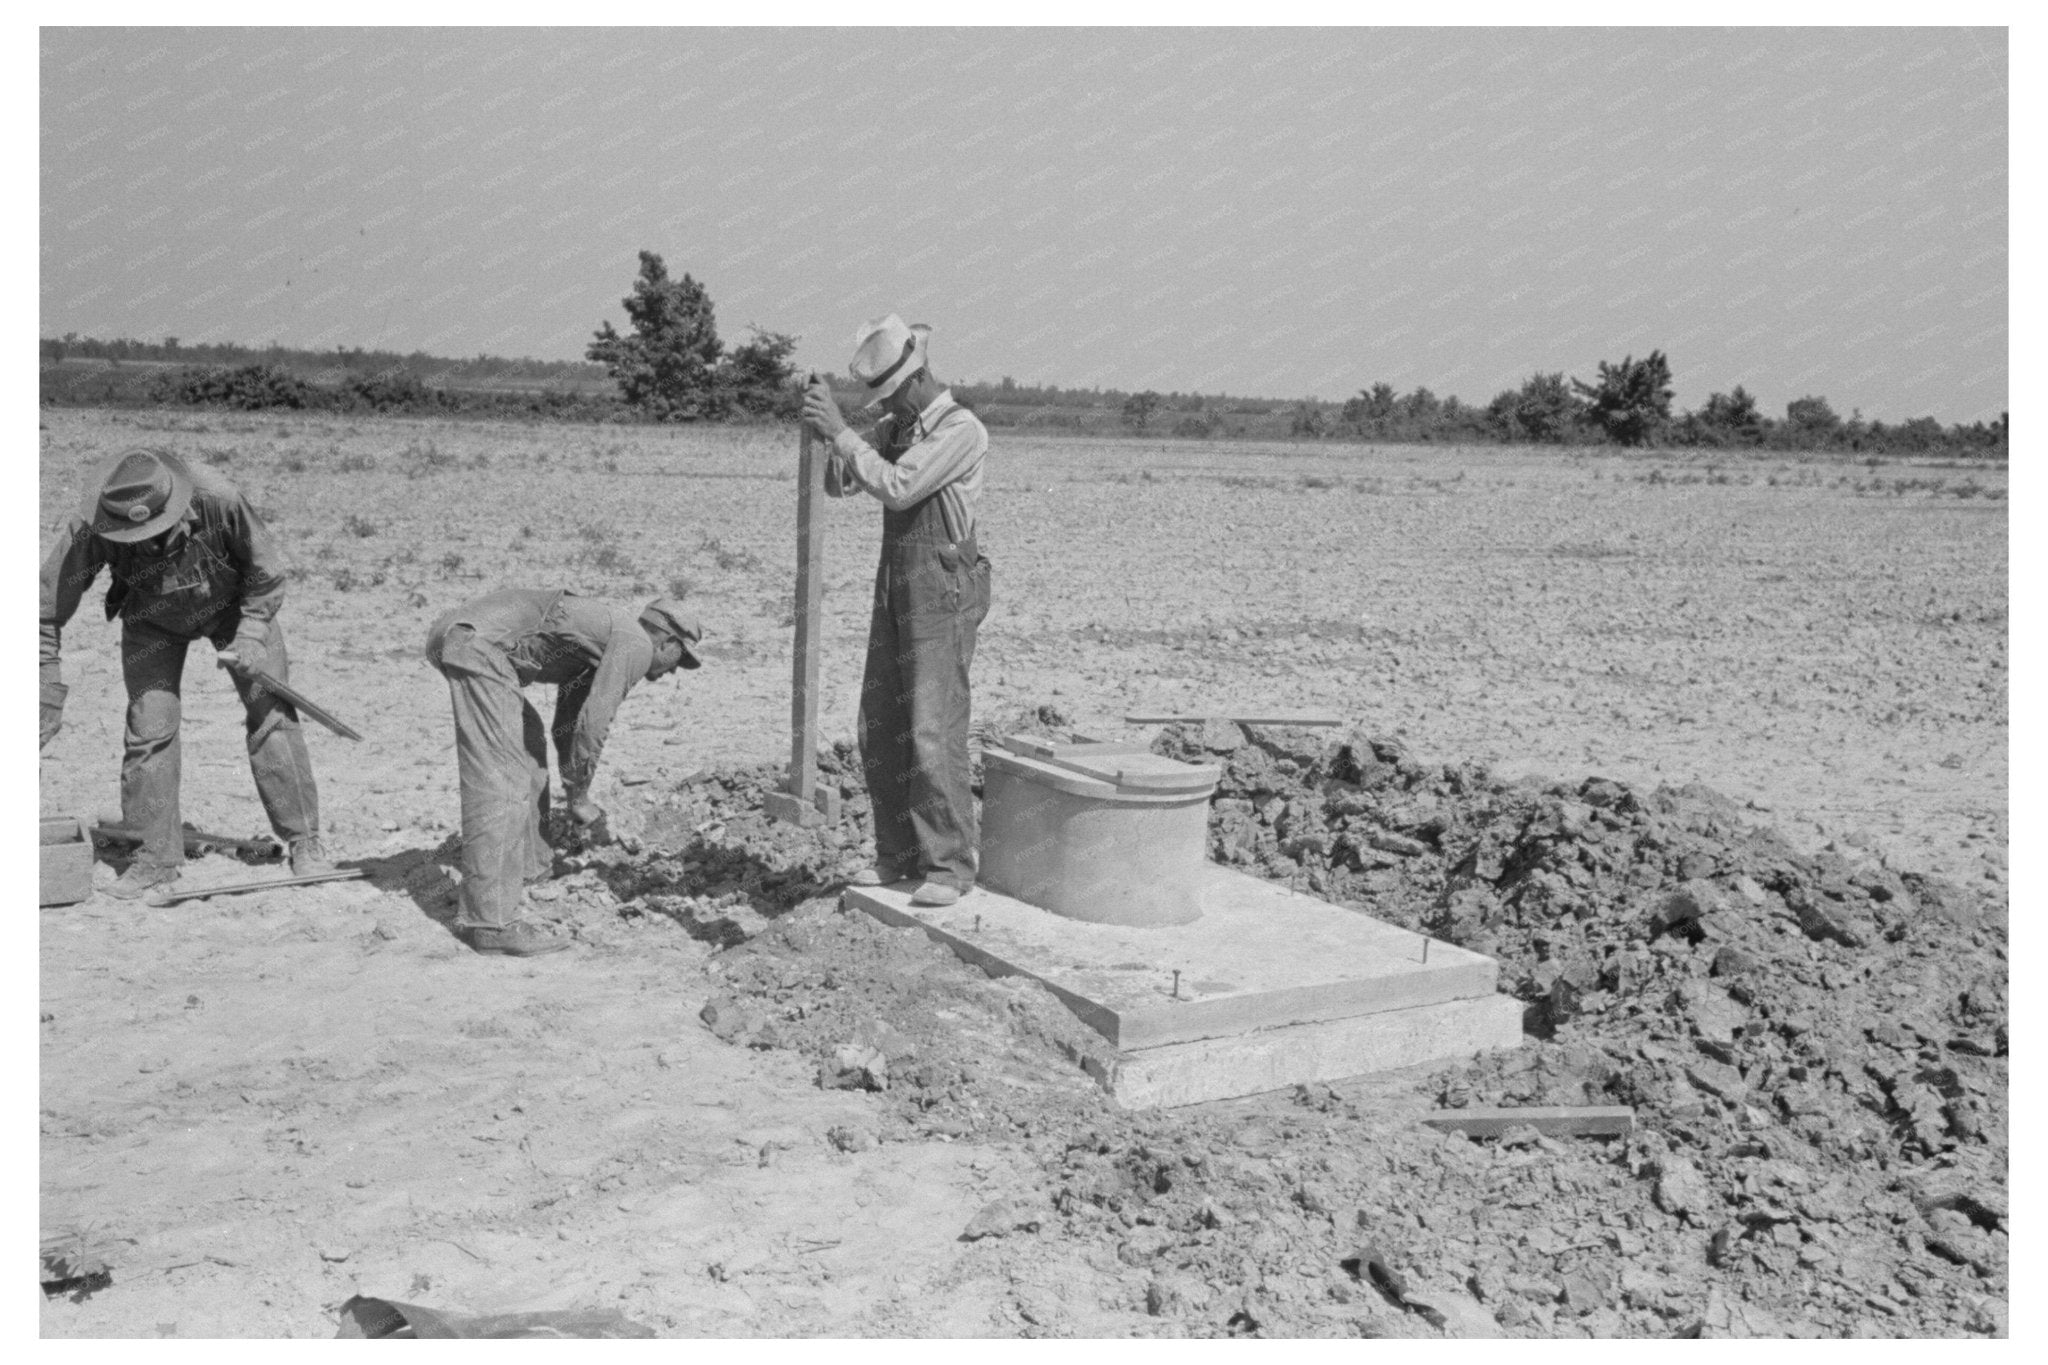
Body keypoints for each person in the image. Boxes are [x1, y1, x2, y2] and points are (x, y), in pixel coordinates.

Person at [40, 447, 330, 902]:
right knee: (149, 730)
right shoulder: (93, 521)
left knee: (271, 714)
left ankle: (305, 840)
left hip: (235, 609)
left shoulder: (219, 498)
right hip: (151, 618)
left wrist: (253, 634)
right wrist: (45, 687)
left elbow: (265, 574)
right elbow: (43, 609)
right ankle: (153, 858)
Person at [801, 314, 991, 908]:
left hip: (942, 588)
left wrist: (844, 434)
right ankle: (897, 855)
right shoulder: (899, 425)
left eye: (888, 394)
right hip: (898, 585)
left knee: (932, 728)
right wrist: (830, 438)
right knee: (879, 722)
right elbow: (844, 484)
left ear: (913, 381)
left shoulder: (960, 430)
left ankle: (949, 864)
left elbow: (900, 487)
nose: (886, 406)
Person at [424, 589, 702, 956]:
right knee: (502, 779)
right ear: (667, 640)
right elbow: (595, 725)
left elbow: (569, 725)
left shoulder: (608, 640)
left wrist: (574, 795)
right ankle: (490, 924)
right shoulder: (635, 645)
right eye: (679, 660)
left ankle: (531, 867)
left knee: (527, 751)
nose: (670, 673)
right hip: (478, 644)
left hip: (469, 638)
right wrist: (582, 797)